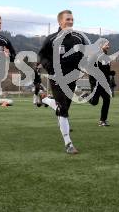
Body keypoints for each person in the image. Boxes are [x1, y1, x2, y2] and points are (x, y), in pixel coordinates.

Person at [38, 10, 86, 154]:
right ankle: (68, 143)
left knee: (64, 108)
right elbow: (42, 55)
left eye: (72, 19)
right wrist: (50, 67)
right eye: (67, 19)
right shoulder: (51, 39)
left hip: (72, 78)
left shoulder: (78, 38)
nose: (70, 22)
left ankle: (45, 99)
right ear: (60, 22)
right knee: (63, 109)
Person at [88, 40, 112, 126]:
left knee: (107, 99)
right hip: (96, 82)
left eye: (108, 45)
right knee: (94, 102)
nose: (108, 46)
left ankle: (103, 120)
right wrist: (94, 82)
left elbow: (106, 71)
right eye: (106, 45)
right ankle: (87, 97)